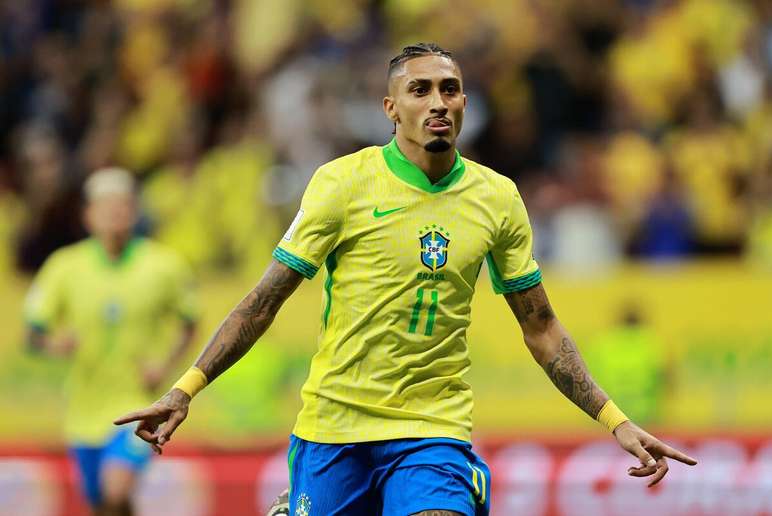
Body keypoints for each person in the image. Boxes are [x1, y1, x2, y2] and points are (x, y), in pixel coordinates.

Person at [115, 44, 697, 516]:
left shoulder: (497, 199)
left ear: (465, 102)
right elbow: (262, 303)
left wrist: (614, 420)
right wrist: (185, 388)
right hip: (334, 423)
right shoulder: (342, 184)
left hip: (432, 427)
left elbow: (541, 328)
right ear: (390, 108)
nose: (437, 102)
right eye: (419, 90)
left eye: (448, 89)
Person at [25, 168, 199, 516]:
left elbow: (189, 323)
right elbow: (33, 333)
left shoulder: (163, 265)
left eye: (123, 205)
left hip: (137, 404)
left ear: (134, 211)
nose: (116, 213)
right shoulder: (64, 267)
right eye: (106, 206)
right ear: (88, 215)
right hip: (83, 413)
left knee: (115, 489)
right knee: (103, 505)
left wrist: (164, 364)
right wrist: (54, 345)